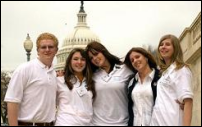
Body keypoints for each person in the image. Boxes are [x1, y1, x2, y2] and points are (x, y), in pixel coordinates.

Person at [4, 32, 59, 126]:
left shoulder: (54, 74)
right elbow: (12, 101)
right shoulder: (24, 69)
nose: (47, 50)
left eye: (50, 47)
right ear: (37, 50)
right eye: (43, 47)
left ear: (56, 50)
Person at [85, 41, 133, 126]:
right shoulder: (91, 75)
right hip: (97, 123)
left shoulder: (125, 69)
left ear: (103, 51)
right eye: (91, 58)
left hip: (122, 123)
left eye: (96, 54)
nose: (94, 59)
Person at [150, 34, 193, 126]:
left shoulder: (182, 70)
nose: (163, 47)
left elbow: (188, 102)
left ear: (175, 48)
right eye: (161, 45)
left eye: (167, 44)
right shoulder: (163, 73)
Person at [55, 48, 96, 126]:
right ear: (70, 61)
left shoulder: (91, 81)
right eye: (75, 59)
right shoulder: (60, 81)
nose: (79, 62)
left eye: (83, 59)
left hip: (87, 123)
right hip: (65, 123)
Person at [124, 47, 161, 126]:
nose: (135, 61)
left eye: (137, 57)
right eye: (132, 60)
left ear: (146, 58)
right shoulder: (131, 82)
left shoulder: (160, 77)